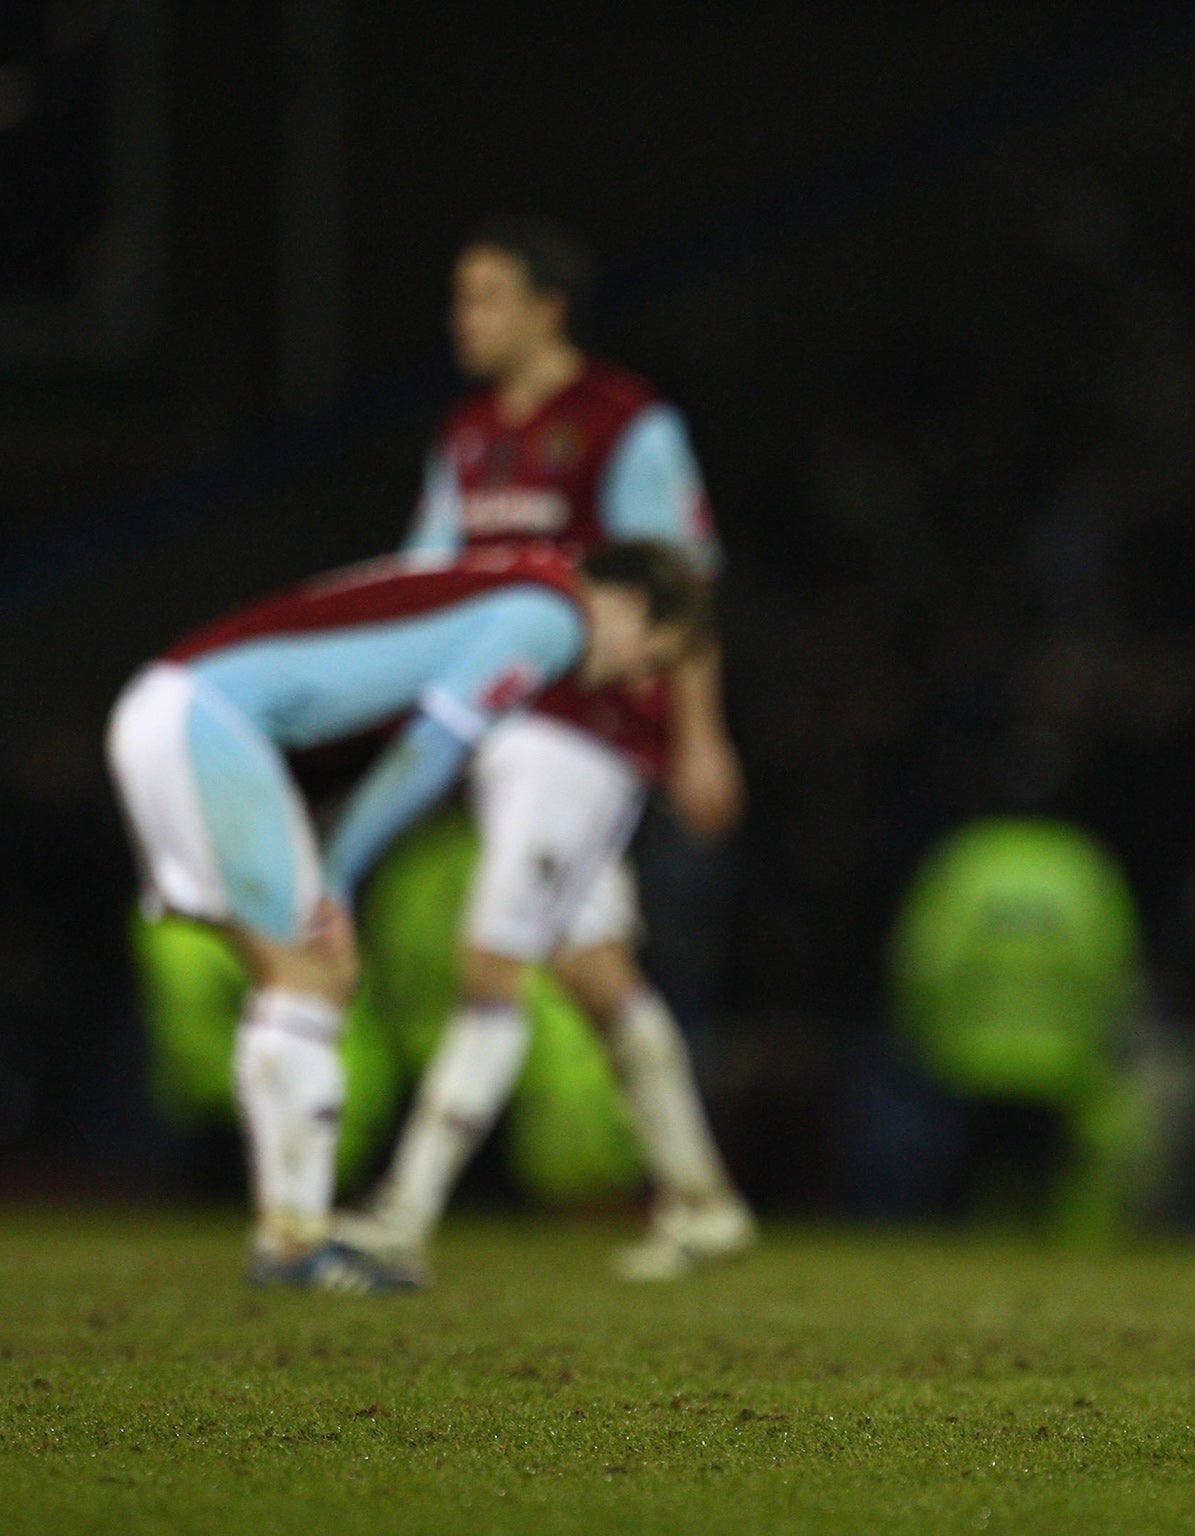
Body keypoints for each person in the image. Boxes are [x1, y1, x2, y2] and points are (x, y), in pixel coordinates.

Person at [106, 542, 706, 1290]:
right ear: (628, 604)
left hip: (186, 712)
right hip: (209, 722)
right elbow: (433, 748)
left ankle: (293, 1237)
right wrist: (339, 873)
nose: (638, 677)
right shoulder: (556, 616)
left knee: (309, 971)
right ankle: (293, 1248)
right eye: (655, 654)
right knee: (312, 965)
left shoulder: (507, 579)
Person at [334, 222, 753, 1282]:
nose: (462, 319)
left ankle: (401, 1216)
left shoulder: (623, 425)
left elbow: (680, 584)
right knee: (595, 971)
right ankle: (704, 1202)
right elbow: (426, 578)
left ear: (546, 307)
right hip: (504, 729)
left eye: (484, 298)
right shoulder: (468, 436)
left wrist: (700, 735)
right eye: (460, 298)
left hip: (587, 728)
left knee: (493, 961)